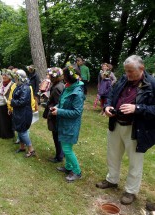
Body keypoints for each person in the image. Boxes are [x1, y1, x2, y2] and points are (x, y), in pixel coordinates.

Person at [96, 55, 155, 205]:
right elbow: (111, 94)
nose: (127, 74)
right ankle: (112, 180)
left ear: (141, 69)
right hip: (116, 123)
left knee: (135, 161)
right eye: (126, 71)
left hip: (136, 128)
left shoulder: (152, 84)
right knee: (113, 154)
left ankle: (131, 191)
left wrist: (137, 108)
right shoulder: (123, 79)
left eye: (130, 71)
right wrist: (107, 106)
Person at [52, 65, 85, 182]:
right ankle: (68, 167)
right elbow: (62, 102)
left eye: (64, 75)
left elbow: (77, 112)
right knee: (66, 146)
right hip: (64, 122)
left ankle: (77, 171)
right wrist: (56, 107)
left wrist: (59, 111)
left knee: (67, 149)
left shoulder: (77, 93)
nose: (62, 77)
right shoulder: (67, 87)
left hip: (71, 125)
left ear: (68, 77)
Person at [11, 70, 36, 158]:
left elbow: (22, 101)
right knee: (19, 129)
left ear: (19, 78)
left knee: (23, 131)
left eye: (16, 77)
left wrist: (12, 102)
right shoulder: (19, 86)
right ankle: (22, 147)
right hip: (19, 112)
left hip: (24, 113)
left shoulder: (25, 88)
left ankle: (31, 149)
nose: (14, 79)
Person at [46, 67, 65, 163]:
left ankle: (59, 156)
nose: (48, 77)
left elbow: (59, 103)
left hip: (56, 116)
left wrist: (50, 105)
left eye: (50, 75)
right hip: (57, 115)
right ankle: (61, 153)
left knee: (57, 136)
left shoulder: (57, 88)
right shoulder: (59, 85)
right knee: (58, 136)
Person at [0, 69, 15, 139]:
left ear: (9, 76)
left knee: (7, 120)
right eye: (3, 75)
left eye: (5, 75)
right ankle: (0, 133)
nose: (3, 77)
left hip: (7, 104)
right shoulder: (1, 82)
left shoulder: (12, 84)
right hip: (0, 103)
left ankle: (8, 134)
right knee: (0, 118)